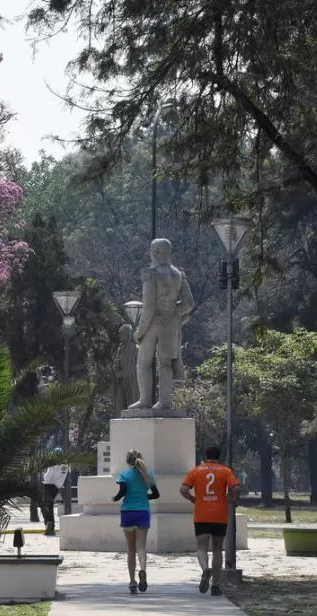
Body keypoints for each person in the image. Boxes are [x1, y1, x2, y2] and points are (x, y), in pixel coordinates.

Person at [129, 238, 195, 410]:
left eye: (152, 250)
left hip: (152, 324)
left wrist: (139, 332)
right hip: (171, 325)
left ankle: (144, 400)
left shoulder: (151, 274)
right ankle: (164, 402)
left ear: (156, 252)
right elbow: (189, 303)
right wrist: (174, 313)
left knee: (143, 362)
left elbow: (149, 307)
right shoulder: (179, 274)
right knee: (165, 363)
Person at [180, 446, 240, 596]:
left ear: (206, 455)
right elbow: (236, 487)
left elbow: (183, 489)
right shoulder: (225, 471)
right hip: (219, 515)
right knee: (218, 549)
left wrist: (194, 499)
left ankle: (205, 569)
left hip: (202, 515)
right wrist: (234, 500)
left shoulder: (196, 470)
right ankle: (216, 585)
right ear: (219, 456)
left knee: (201, 547)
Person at [113, 449, 159, 594]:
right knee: (141, 547)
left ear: (127, 460)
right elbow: (156, 494)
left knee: (130, 549)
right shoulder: (148, 474)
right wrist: (144, 498)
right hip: (143, 512)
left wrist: (115, 498)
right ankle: (143, 570)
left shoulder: (124, 475)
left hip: (128, 512)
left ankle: (132, 581)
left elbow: (122, 491)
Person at [40, 449, 69, 536]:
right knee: (46, 504)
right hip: (53, 485)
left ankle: (50, 524)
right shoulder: (61, 465)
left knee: (47, 503)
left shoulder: (63, 465)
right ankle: (49, 524)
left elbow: (47, 478)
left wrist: (52, 467)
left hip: (51, 485)